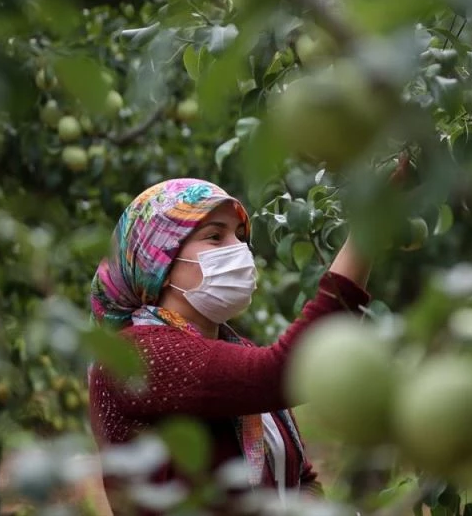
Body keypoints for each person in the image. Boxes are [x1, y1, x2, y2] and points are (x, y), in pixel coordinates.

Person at [88, 178, 371, 515]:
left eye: (239, 235)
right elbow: (281, 374)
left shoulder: (235, 351)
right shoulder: (134, 355)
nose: (238, 248)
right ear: (160, 263)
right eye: (215, 236)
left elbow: (300, 477)